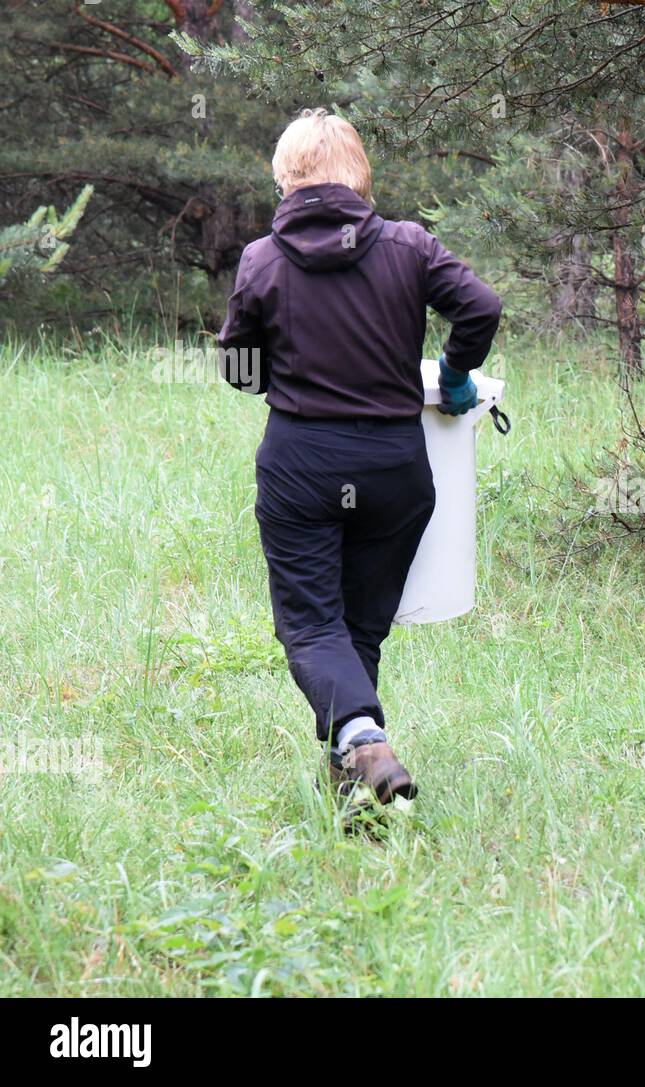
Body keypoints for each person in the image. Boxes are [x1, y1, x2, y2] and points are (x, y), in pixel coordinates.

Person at [218, 108, 502, 814]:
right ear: (359, 178)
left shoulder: (262, 259)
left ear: (288, 179)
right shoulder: (408, 246)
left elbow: (238, 367)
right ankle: (353, 784)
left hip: (302, 467)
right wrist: (457, 371)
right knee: (358, 628)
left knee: (313, 626)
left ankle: (361, 732)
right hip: (395, 472)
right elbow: (482, 307)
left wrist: (279, 379)